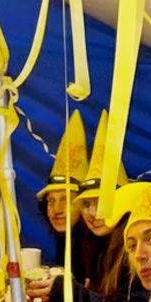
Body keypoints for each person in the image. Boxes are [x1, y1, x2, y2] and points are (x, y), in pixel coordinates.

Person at [27, 110, 149, 302]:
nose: (93, 213)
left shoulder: (136, 251)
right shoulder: (96, 243)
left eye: (102, 202)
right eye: (86, 204)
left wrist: (70, 291)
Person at [33, 110, 89, 281]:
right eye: (51, 201)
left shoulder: (94, 245)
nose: (56, 210)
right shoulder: (66, 236)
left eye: (65, 200)